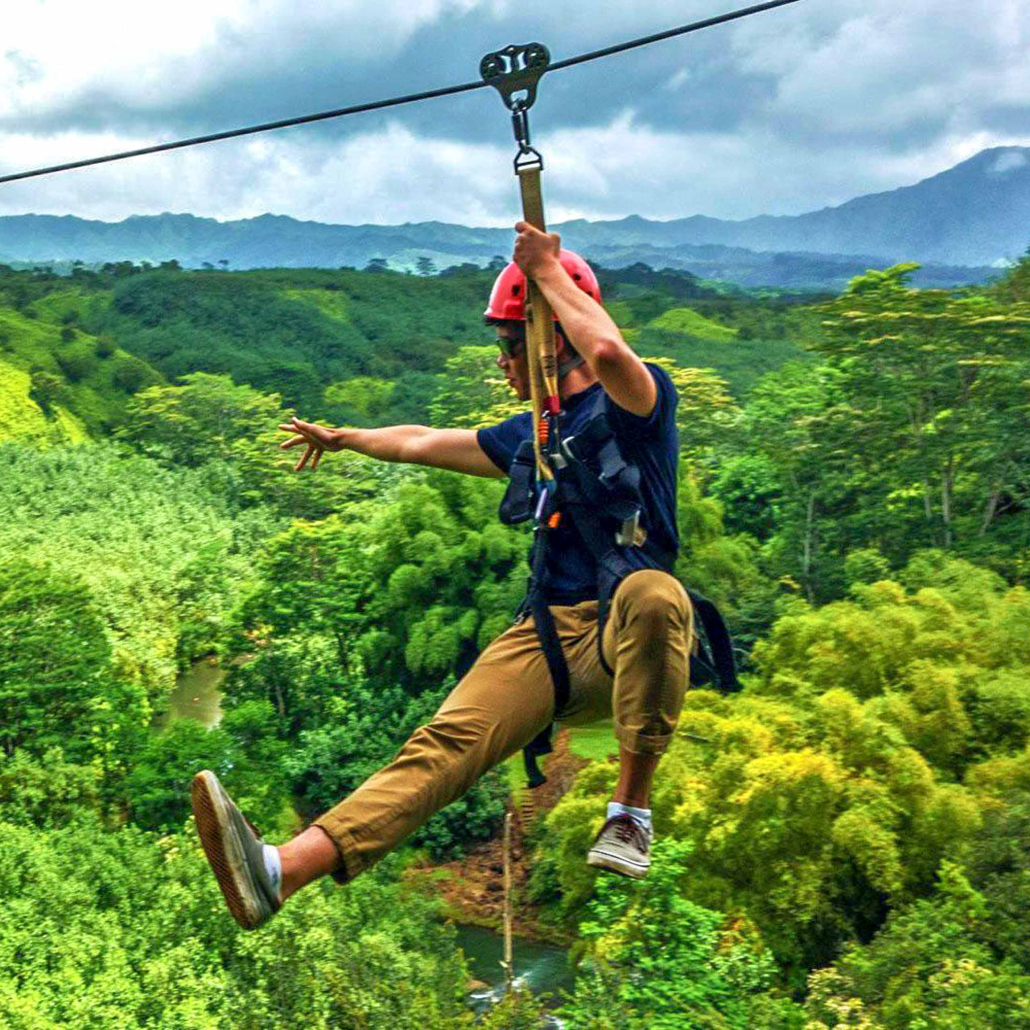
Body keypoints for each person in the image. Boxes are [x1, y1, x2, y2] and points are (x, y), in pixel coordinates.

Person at [191, 221, 694, 931]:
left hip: (626, 638)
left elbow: (609, 350)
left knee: (654, 593)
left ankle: (630, 812)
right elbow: (423, 443)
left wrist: (547, 271)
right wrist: (344, 439)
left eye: (506, 344)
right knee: (445, 744)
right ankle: (281, 871)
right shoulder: (535, 436)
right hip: (549, 637)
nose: (500, 363)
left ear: (550, 339)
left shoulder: (641, 409)